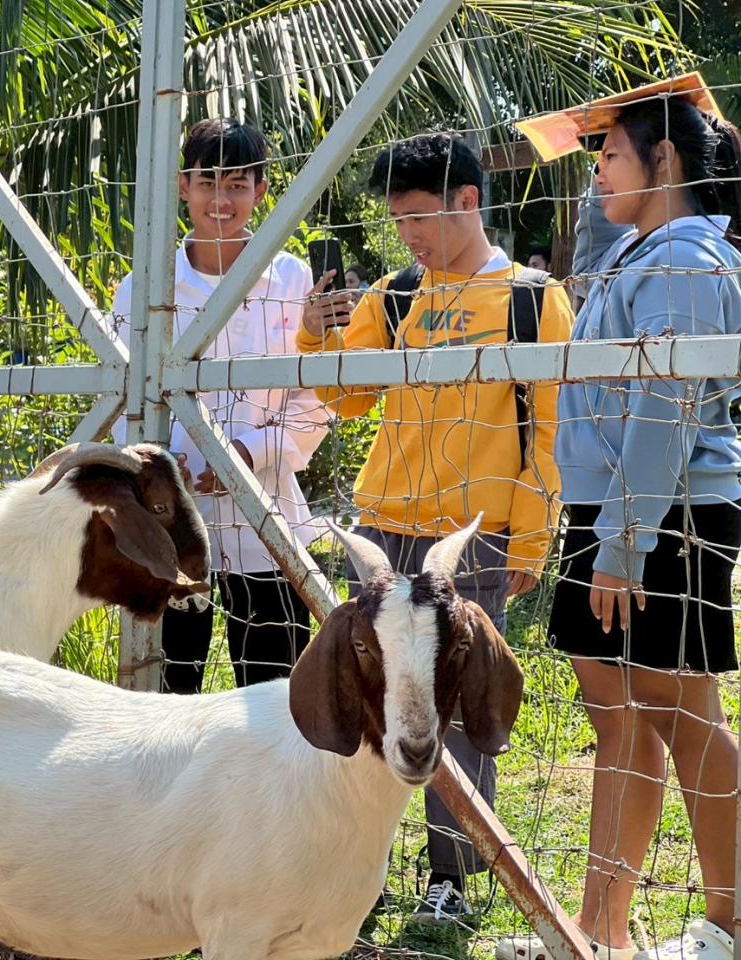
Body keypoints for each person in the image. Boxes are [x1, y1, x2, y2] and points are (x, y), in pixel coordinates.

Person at [298, 132, 574, 922]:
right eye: (398, 220)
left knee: (453, 706)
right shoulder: (394, 296)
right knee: (370, 698)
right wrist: (316, 332)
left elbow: (549, 428)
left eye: (418, 216)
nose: (407, 234)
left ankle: (452, 877)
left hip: (474, 538)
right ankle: (361, 867)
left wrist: (530, 536)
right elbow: (346, 397)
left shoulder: (532, 299)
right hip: (384, 532)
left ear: (467, 201)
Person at [497, 91, 741, 960]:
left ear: (663, 161)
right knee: (624, 719)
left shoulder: (687, 260)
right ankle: (600, 932)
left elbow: (666, 411)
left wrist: (625, 544)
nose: (597, 172)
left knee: (685, 713)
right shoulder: (642, 252)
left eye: (610, 156)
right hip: (614, 513)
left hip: (665, 516)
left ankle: (728, 922)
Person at [111, 117, 329, 692]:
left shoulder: (290, 279)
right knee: (167, 692)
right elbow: (119, 402)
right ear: (183, 186)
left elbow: (314, 399)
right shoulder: (144, 287)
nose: (221, 200)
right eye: (207, 182)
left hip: (268, 525)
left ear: (262, 191)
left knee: (273, 693)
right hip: (169, 532)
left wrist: (247, 453)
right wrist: (156, 468)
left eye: (237, 184)